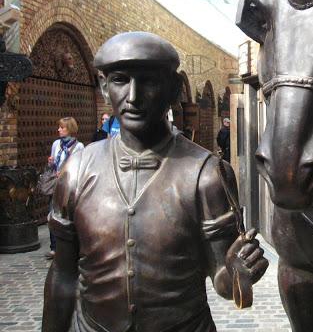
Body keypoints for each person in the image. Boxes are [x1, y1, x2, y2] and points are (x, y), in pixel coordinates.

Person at [42, 32, 268, 332]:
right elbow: (63, 273)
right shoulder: (77, 170)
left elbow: (223, 281)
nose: (133, 96)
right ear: (104, 87)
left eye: (149, 81)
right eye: (121, 79)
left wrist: (239, 272)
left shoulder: (206, 174)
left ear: (173, 89)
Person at [46, 117, 84, 259]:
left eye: (62, 128)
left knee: (69, 214)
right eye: (59, 127)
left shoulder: (79, 146)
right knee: (53, 212)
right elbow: (53, 163)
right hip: (56, 184)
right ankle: (54, 247)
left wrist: (65, 170)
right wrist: (51, 163)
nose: (59, 130)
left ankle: (71, 246)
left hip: (69, 185)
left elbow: (79, 165)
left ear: (70, 129)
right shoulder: (56, 144)